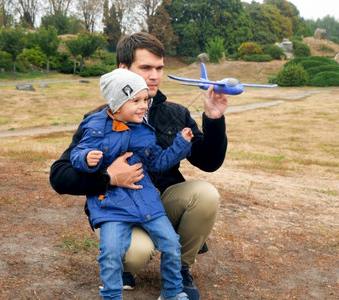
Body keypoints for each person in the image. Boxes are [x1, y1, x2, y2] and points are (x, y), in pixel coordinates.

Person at [50, 32, 228, 300]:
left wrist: (213, 119)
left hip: (158, 204)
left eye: (159, 68)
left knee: (205, 194)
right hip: (119, 206)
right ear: (123, 69)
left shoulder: (176, 113)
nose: (155, 76)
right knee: (135, 254)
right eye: (145, 68)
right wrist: (108, 177)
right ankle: (123, 265)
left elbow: (209, 162)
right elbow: (60, 175)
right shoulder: (98, 121)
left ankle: (179, 270)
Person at [70, 68, 192, 300]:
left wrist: (180, 145)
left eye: (145, 99)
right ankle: (112, 295)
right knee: (111, 252)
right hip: (111, 205)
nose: (143, 105)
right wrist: (86, 159)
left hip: (146, 201)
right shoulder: (94, 125)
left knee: (171, 244)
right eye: (135, 100)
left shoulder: (145, 131)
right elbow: (77, 153)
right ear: (117, 104)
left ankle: (173, 292)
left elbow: (156, 161)